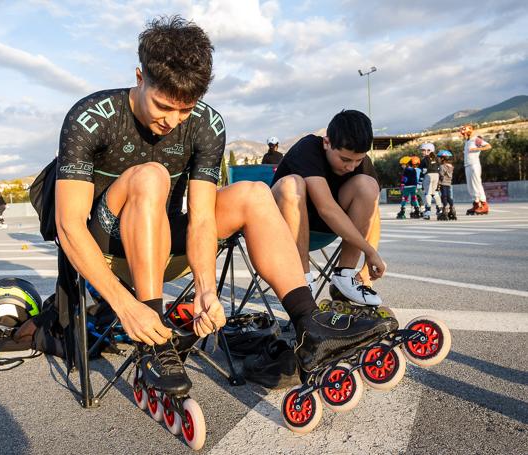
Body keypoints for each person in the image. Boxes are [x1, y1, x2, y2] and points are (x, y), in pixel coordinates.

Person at [54, 17, 393, 394]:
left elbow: (201, 218)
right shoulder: (90, 116)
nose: (173, 120)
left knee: (253, 193)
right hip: (108, 246)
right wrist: (123, 304)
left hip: (166, 237)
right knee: (151, 175)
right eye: (163, 106)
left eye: (185, 110)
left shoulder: (206, 123)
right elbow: (68, 225)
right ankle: (154, 336)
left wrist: (206, 289)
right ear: (139, 77)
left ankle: (309, 326)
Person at [270, 110, 386, 306]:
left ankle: (344, 277)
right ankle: (301, 281)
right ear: (327, 142)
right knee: (292, 184)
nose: (351, 167)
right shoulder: (308, 147)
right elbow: (326, 208)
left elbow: (372, 214)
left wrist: (367, 267)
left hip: (324, 230)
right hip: (282, 229)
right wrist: (369, 250)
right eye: (345, 159)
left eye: (358, 160)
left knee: (368, 185)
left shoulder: (361, 163)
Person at [460, 124, 491, 215]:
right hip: (467, 165)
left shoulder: (476, 139)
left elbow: (488, 146)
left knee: (477, 184)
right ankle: (476, 204)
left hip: (474, 165)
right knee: (470, 186)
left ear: (469, 132)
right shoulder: (467, 142)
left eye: (464, 133)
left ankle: (484, 205)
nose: (463, 135)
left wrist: (477, 148)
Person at [419, 142, 442, 220]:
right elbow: (439, 168)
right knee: (435, 192)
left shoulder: (425, 159)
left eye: (423, 150)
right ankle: (440, 208)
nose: (422, 152)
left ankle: (427, 211)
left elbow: (423, 171)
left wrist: (420, 181)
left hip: (428, 175)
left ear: (428, 150)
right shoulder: (437, 158)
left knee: (427, 193)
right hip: (436, 175)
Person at [437, 150, 457, 220]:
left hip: (443, 183)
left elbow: (441, 176)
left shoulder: (442, 166)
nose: (438, 159)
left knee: (444, 197)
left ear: (443, 158)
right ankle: (452, 209)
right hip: (448, 183)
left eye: (439, 157)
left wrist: (438, 183)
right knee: (448, 197)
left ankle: (445, 210)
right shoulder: (451, 166)